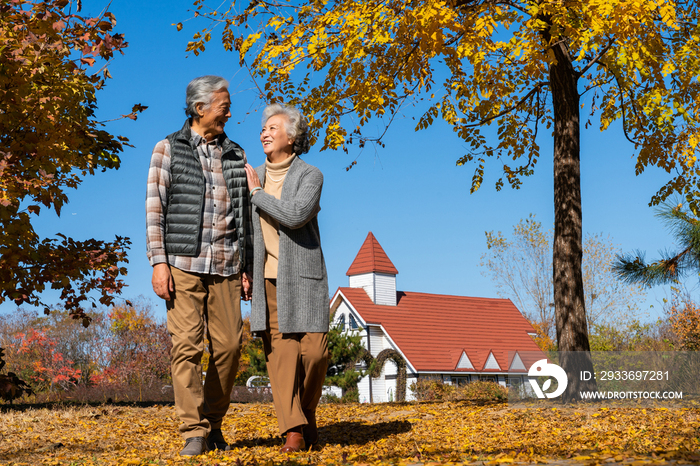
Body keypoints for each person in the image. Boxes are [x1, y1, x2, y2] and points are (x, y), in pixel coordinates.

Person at [146, 75, 253, 457]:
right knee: (186, 347)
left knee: (228, 347)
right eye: (223, 105)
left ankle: (214, 420)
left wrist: (248, 266)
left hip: (226, 264)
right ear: (199, 108)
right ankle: (194, 430)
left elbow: (244, 216)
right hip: (182, 263)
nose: (228, 111)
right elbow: (155, 211)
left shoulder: (237, 155)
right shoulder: (168, 149)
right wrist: (159, 262)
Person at [244, 103, 329, 453]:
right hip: (267, 280)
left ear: (292, 138)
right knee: (281, 357)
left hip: (305, 279)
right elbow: (247, 232)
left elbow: (295, 215)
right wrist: (245, 271)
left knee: (315, 354)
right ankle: (292, 429)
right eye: (264, 128)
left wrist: (257, 196)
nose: (265, 132)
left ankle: (306, 412)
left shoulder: (311, 175)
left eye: (274, 128)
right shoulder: (253, 175)